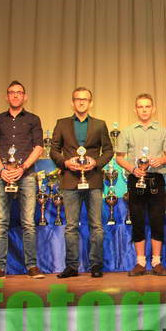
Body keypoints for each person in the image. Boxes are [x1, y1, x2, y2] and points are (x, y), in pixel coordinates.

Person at [0, 80, 45, 280]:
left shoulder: (33, 119)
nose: (16, 95)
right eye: (12, 92)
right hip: (2, 176)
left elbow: (39, 147)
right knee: (1, 222)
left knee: (28, 222)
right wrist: (2, 170)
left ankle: (32, 266)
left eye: (19, 92)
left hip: (26, 176)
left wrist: (22, 168)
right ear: (6, 96)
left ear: (25, 97)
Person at [50, 87, 113, 278]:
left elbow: (108, 151)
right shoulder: (61, 123)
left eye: (85, 99)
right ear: (72, 102)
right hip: (70, 180)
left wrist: (96, 162)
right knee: (71, 226)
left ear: (90, 103)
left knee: (96, 226)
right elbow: (54, 150)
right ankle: (71, 266)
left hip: (93, 180)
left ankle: (96, 265)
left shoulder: (100, 124)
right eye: (78, 99)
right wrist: (65, 163)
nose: (81, 102)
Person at [115, 93, 166, 277]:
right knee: (137, 220)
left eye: (147, 106)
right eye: (140, 106)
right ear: (135, 109)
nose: (144, 110)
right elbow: (119, 157)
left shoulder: (163, 131)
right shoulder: (127, 131)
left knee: (157, 220)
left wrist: (161, 160)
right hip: (135, 178)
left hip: (156, 179)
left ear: (153, 109)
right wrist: (132, 169)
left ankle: (156, 261)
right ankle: (140, 262)